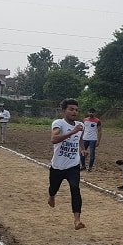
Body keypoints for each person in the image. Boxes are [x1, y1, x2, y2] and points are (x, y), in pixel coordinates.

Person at [48, 98, 86, 230]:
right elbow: (54, 139)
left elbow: (80, 139)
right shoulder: (58, 123)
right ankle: (51, 196)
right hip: (58, 165)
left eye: (76, 110)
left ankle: (77, 220)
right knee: (53, 188)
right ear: (64, 111)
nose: (74, 112)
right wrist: (72, 132)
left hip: (73, 165)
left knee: (75, 188)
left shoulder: (80, 125)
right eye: (71, 109)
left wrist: (83, 149)